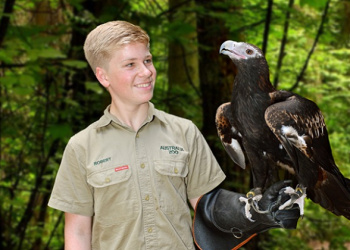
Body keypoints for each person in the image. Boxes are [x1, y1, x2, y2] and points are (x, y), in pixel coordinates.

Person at [48, 20, 300, 250]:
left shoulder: (184, 132)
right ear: (103, 76)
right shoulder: (81, 146)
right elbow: (78, 232)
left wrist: (255, 211)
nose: (146, 72)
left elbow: (208, 210)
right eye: (130, 65)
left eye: (147, 60)